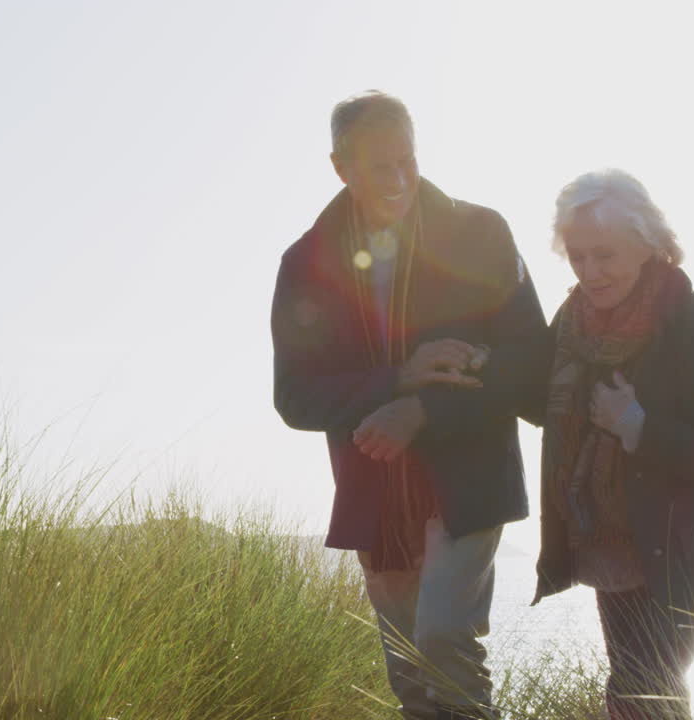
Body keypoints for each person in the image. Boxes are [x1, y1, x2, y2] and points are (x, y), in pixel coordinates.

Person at [270, 90, 546, 720]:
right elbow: (294, 396)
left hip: (468, 479)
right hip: (376, 487)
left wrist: (421, 411)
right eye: (379, 167)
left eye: (408, 161)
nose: (398, 180)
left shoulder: (481, 232)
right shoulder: (304, 263)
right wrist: (397, 379)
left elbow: (531, 368)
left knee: (444, 639)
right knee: (412, 679)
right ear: (341, 168)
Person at [527, 169, 694, 719]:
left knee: (641, 695)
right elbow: (534, 396)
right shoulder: (573, 324)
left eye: (604, 254)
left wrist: (636, 424)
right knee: (643, 697)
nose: (589, 271)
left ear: (647, 244)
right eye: (577, 255)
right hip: (612, 548)